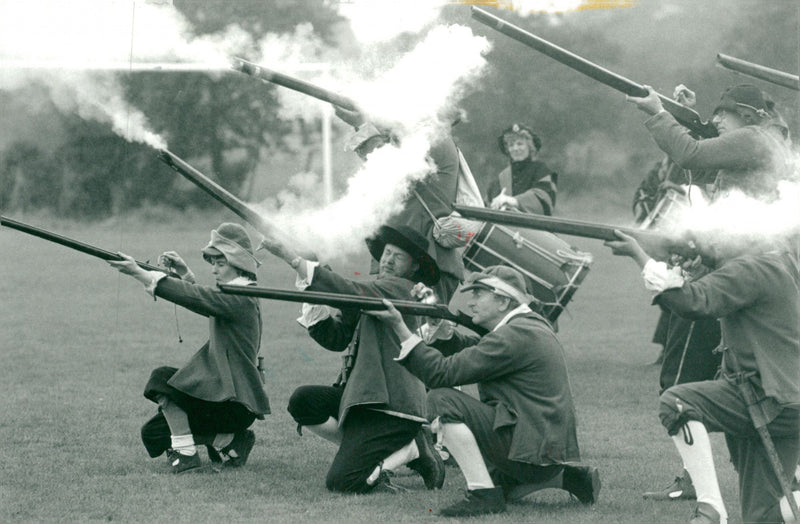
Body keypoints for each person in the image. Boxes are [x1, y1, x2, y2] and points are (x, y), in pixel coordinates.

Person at [367, 265, 601, 517]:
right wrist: (443, 328)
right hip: (543, 452)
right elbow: (478, 350)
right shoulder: (526, 326)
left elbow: (441, 373)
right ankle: (570, 478)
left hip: (530, 452)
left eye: (478, 294)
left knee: (442, 399)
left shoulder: (512, 335)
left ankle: (482, 494)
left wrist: (399, 327)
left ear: (502, 301)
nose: (471, 303)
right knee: (504, 487)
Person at [605, 230, 800, 524]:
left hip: (767, 398)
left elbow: (693, 302)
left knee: (677, 402)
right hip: (783, 402)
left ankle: (711, 509)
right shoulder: (777, 264)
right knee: (764, 517)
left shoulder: (751, 268)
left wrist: (641, 256)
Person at [259, 224, 446, 494]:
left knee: (342, 483)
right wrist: (310, 267)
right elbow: (335, 339)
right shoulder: (374, 292)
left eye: (398, 256)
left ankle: (412, 449)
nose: (388, 260)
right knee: (304, 402)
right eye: (387, 253)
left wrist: (295, 260)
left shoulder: (400, 288)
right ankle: (373, 453)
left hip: (392, 406)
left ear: (413, 267)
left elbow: (347, 290)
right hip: (365, 398)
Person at [108, 223, 270, 473]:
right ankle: (229, 441)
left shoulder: (241, 297)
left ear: (239, 263)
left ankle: (186, 456)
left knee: (161, 379)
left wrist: (139, 272)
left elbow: (203, 299)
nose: (214, 269)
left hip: (234, 404)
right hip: (224, 400)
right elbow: (205, 299)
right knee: (153, 434)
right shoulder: (236, 294)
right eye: (213, 263)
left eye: (220, 263)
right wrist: (186, 277)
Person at [337, 107, 466, 304]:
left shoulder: (433, 138)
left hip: (425, 263)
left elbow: (387, 165)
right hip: (402, 258)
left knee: (422, 332)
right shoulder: (412, 140)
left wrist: (363, 124)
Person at [627, 83, 791, 200]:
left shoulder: (753, 137)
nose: (716, 120)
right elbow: (697, 172)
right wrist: (685, 114)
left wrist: (658, 113)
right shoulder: (756, 144)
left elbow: (690, 155)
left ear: (747, 116)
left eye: (724, 114)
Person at [486, 123, 558, 215]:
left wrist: (513, 201)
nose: (515, 148)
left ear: (530, 146)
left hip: (533, 227)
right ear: (508, 150)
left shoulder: (542, 171)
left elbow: (546, 200)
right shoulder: (500, 179)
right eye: (511, 145)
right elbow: (485, 206)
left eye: (520, 144)